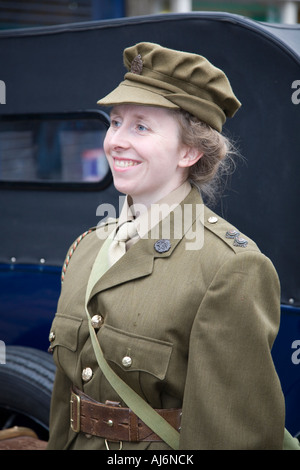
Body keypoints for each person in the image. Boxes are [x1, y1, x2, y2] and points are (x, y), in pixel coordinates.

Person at [47, 42, 286, 450]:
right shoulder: (87, 248)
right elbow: (65, 409)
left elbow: (231, 437)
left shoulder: (230, 268)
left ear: (190, 150)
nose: (116, 141)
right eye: (115, 121)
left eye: (141, 126)